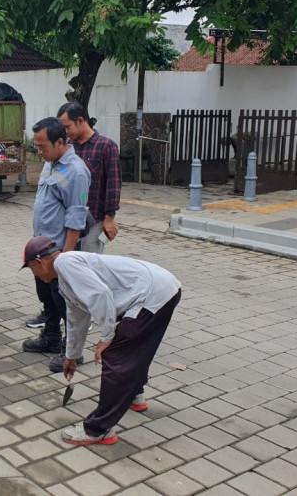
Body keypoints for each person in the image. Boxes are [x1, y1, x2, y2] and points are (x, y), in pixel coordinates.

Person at [21, 236, 181, 446]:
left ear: (39, 262)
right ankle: (135, 395)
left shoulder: (64, 262)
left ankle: (98, 429)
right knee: (136, 349)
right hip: (162, 290)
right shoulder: (66, 279)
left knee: (115, 356)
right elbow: (77, 319)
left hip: (152, 294)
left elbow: (100, 293)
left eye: (32, 270)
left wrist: (107, 338)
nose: (36, 277)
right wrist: (72, 356)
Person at [21, 117, 90, 373]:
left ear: (60, 142)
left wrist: (67, 257)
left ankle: (72, 352)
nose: (38, 152)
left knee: (66, 304)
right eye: (36, 146)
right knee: (47, 298)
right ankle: (51, 338)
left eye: (42, 146)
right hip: (43, 250)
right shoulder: (51, 163)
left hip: (60, 251)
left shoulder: (76, 171)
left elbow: (76, 216)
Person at [57, 102, 121, 253]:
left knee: (89, 263)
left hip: (95, 218)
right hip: (70, 219)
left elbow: (113, 184)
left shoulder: (106, 146)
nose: (66, 132)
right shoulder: (67, 147)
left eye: (68, 127)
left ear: (80, 120)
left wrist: (109, 217)